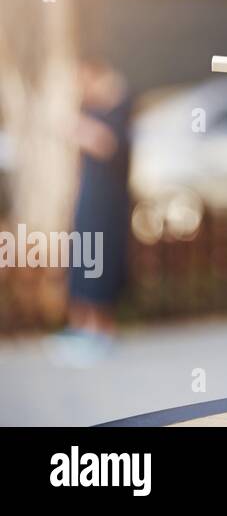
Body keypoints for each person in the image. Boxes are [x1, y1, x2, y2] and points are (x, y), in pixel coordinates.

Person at [46, 57, 133, 368]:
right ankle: (81, 328)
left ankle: (101, 331)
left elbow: (106, 144)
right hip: (89, 200)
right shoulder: (92, 108)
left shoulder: (119, 107)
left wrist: (74, 127)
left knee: (103, 261)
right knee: (83, 258)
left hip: (108, 205)